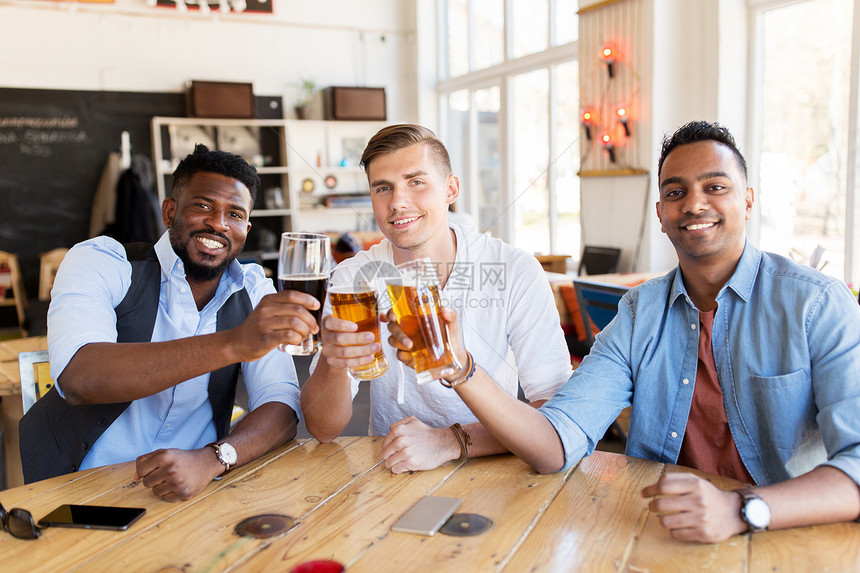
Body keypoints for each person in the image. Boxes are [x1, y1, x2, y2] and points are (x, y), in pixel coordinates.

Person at [388, 121, 860, 542]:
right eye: (676, 192)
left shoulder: (816, 303)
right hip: (659, 534)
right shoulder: (639, 311)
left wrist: (741, 509)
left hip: (786, 534)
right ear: (660, 214)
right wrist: (460, 367)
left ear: (748, 200)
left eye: (715, 187)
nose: (694, 203)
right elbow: (555, 444)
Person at [20, 144, 321, 502]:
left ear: (247, 228)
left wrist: (213, 459)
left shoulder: (253, 288)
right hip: (78, 490)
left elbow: (282, 405)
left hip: (194, 490)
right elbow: (80, 378)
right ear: (169, 211)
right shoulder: (101, 261)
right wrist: (234, 343)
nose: (219, 223)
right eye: (203, 206)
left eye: (235, 214)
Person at [300, 124, 572, 473]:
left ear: (450, 189)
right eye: (384, 188)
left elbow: (557, 415)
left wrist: (449, 441)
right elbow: (322, 428)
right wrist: (332, 361)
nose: (397, 202)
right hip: (395, 467)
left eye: (416, 181)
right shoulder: (354, 277)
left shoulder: (514, 269)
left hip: (498, 467)